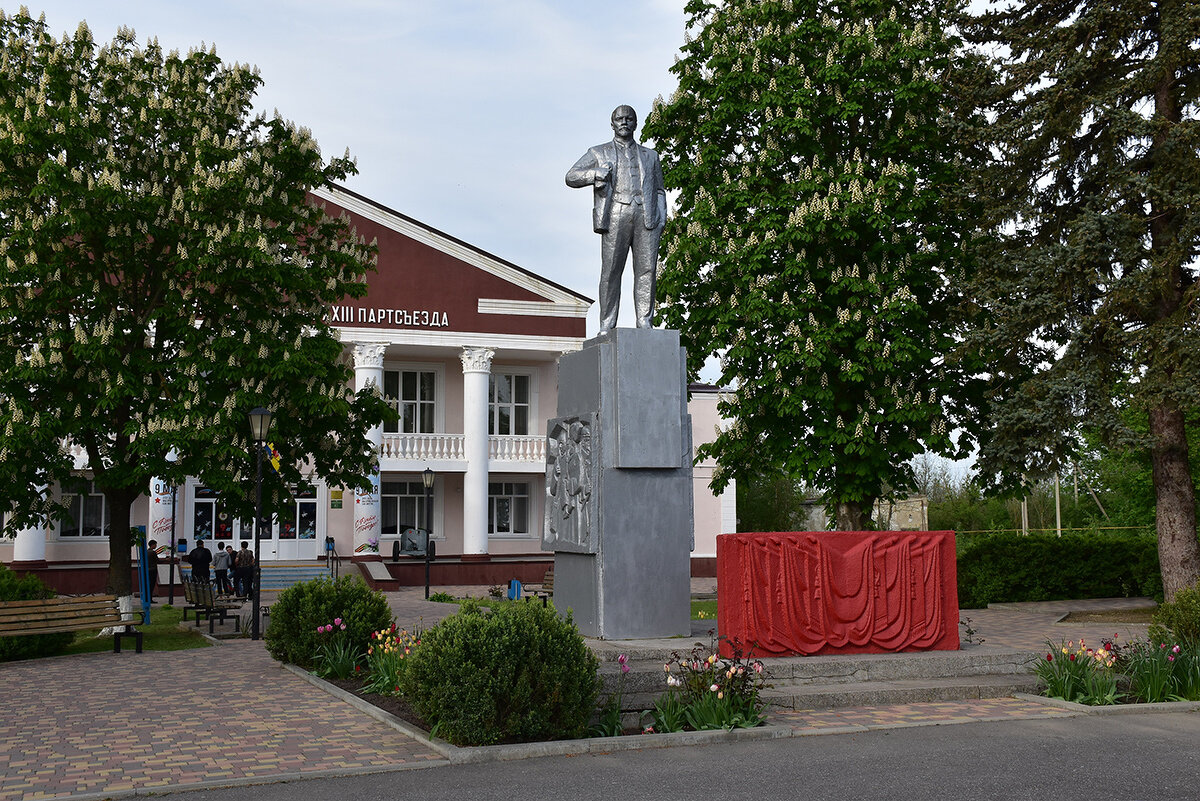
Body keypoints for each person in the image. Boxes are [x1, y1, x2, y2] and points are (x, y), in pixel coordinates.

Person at [566, 105, 667, 335]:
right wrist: (595, 174)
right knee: (611, 271)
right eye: (620, 119)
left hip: (646, 215)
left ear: (635, 123)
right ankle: (606, 324)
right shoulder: (598, 152)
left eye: (629, 118)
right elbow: (571, 176)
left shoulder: (651, 156)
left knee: (647, 271)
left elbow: (660, 190)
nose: (624, 122)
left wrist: (661, 217)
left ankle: (645, 322)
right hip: (616, 214)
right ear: (612, 124)